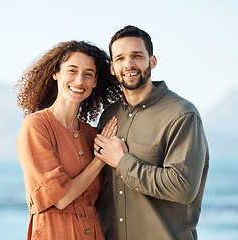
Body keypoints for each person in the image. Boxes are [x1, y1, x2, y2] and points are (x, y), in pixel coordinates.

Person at [94, 25, 209, 240]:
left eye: (136, 56)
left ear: (152, 61)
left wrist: (122, 161)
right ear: (112, 67)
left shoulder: (182, 114)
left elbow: (183, 187)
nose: (128, 64)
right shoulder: (109, 115)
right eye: (120, 58)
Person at [16, 41, 121, 239]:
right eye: (72, 71)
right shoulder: (36, 126)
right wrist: (100, 159)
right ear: (56, 73)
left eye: (88, 74)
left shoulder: (93, 135)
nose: (79, 80)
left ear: (95, 81)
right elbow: (61, 199)